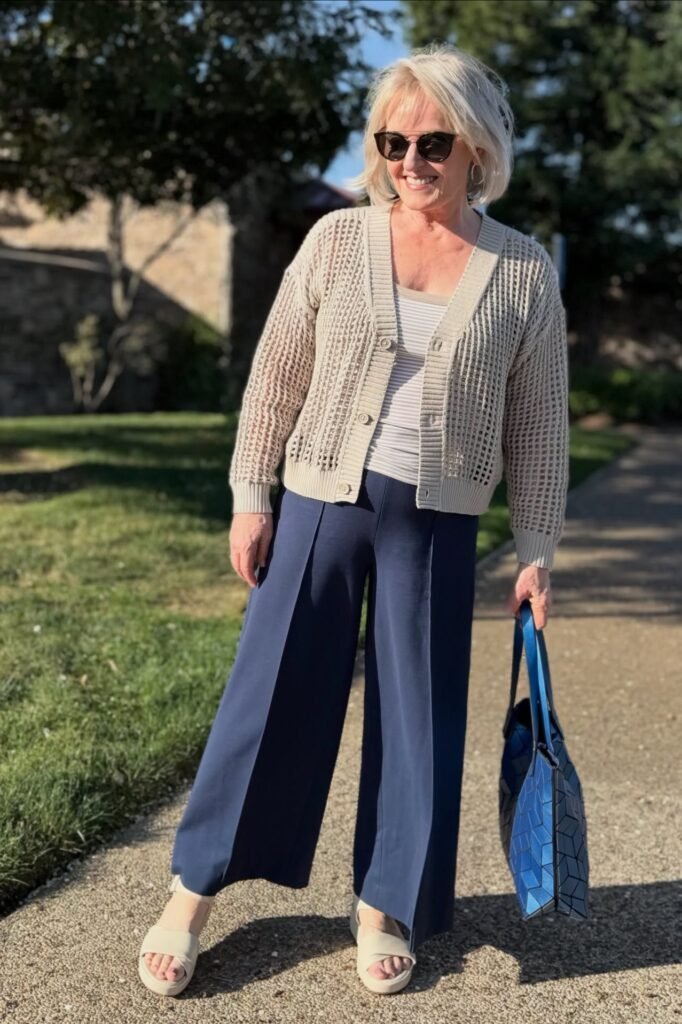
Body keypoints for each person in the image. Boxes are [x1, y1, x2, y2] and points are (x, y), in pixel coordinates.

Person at [138, 41, 569, 998]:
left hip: (436, 518)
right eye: (392, 141)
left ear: (477, 148)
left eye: (432, 143)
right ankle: (191, 892)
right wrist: (254, 496)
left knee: (418, 723)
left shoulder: (523, 269)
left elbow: (540, 422)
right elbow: (277, 375)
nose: (410, 161)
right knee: (268, 701)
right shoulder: (336, 241)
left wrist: (537, 549)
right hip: (324, 501)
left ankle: (385, 904)